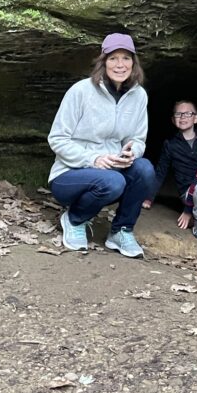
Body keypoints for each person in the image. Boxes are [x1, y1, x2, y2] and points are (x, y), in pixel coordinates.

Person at [47, 33, 155, 258]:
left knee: (145, 169)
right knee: (113, 181)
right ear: (103, 61)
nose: (120, 65)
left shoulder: (139, 95)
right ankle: (75, 219)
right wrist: (92, 159)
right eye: (113, 58)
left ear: (133, 63)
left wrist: (130, 152)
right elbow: (57, 138)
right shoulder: (81, 91)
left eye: (126, 58)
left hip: (112, 168)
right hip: (70, 174)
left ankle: (121, 230)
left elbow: (137, 139)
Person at [142, 100, 197, 218]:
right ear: (173, 120)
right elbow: (160, 172)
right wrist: (149, 198)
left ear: (196, 118)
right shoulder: (170, 145)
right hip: (188, 193)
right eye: (178, 114)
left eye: (188, 113)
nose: (182, 117)